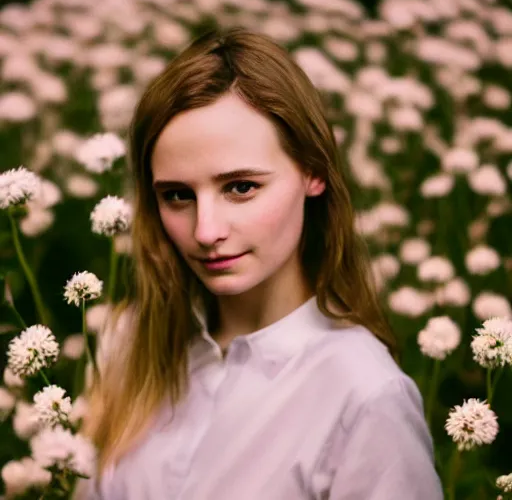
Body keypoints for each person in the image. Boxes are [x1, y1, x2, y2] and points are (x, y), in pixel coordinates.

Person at [77, 27, 443, 499]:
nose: (206, 231)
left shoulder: (365, 397)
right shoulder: (130, 345)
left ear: (312, 171)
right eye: (177, 195)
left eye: (241, 187)